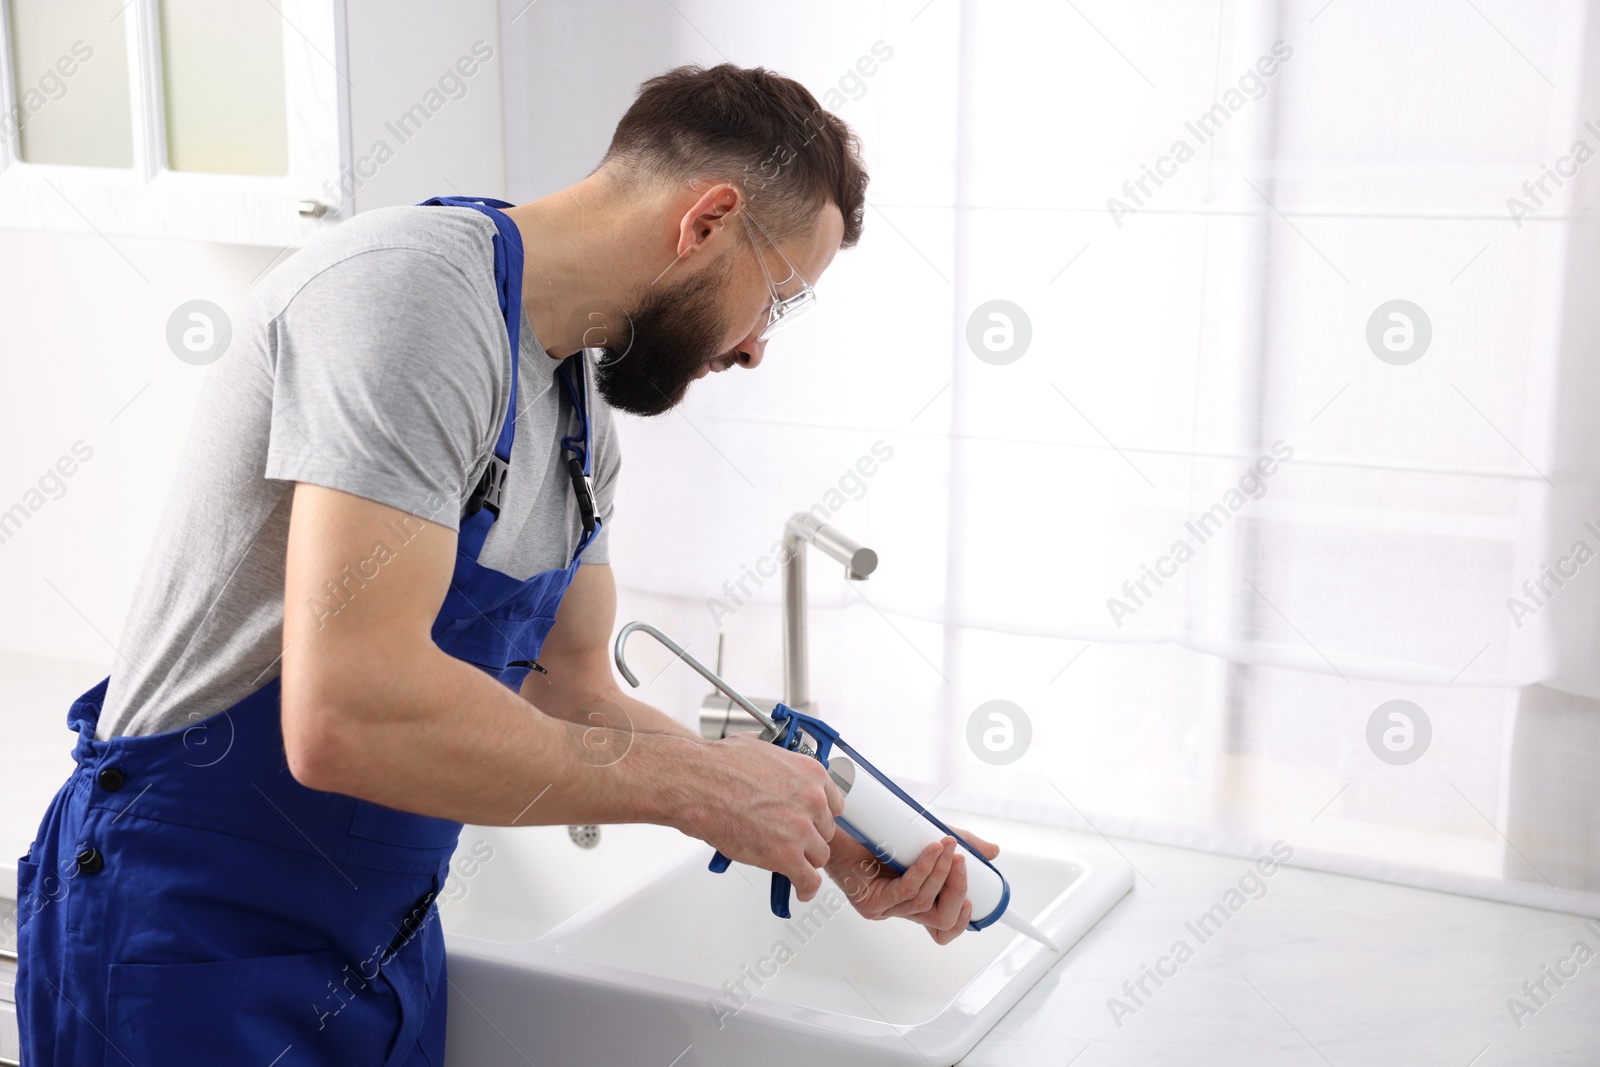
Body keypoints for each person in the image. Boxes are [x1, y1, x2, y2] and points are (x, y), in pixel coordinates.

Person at [15, 62, 999, 1064]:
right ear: (706, 220)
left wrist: (821, 831)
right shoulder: (409, 299)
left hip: (380, 944)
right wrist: (697, 786)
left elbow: (571, 692)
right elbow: (346, 712)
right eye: (778, 298)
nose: (755, 348)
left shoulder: (580, 419)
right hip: (189, 931)